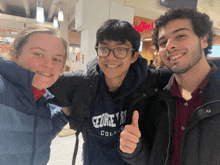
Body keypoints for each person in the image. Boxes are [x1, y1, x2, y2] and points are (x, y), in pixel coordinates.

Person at [48, 19, 171, 165]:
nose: (110, 57)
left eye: (120, 50)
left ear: (134, 56)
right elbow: (34, 83)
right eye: (104, 49)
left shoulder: (152, 83)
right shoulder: (82, 83)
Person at [120, 7, 220, 165]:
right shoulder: (153, 100)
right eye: (163, 42)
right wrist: (133, 149)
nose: (170, 45)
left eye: (180, 35)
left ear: (204, 39)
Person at [0, 25, 69, 165]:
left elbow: (34, 137)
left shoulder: (40, 98)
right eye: (38, 54)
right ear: (15, 54)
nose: (49, 65)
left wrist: (64, 114)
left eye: (56, 59)